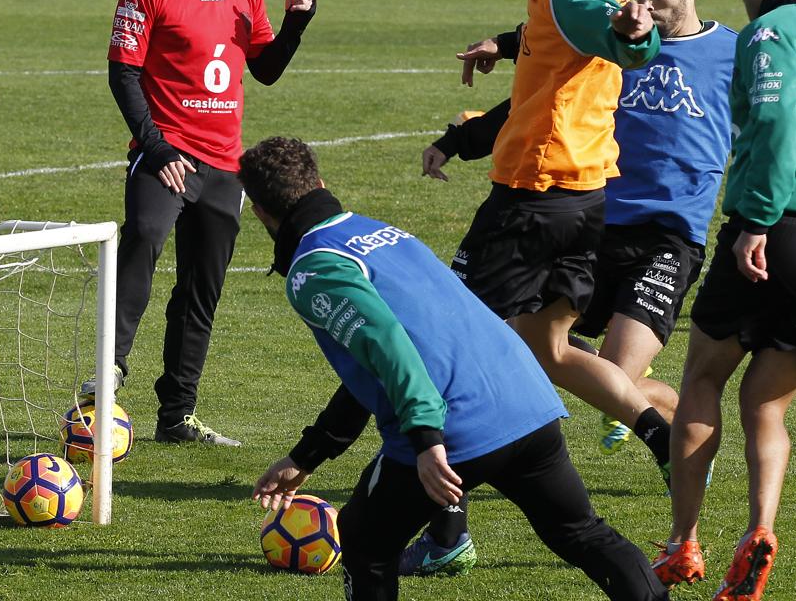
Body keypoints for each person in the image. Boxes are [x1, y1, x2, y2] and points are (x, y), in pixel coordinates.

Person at [239, 136, 669, 601]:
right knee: (580, 532)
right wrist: (307, 456)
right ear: (319, 182)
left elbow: (389, 350)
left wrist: (426, 441)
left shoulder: (313, 269)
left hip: (455, 426)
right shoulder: (382, 231)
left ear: (260, 212)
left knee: (364, 542)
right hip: (526, 399)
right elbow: (375, 368)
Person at [413, 0, 669, 572]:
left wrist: (633, 38)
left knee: (443, 348)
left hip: (529, 203)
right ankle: (661, 436)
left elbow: (615, 38)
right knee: (548, 348)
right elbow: (586, 35)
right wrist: (506, 42)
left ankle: (446, 529)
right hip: (586, 200)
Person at [429, 0, 736, 457]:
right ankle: (675, 424)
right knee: (548, 353)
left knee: (611, 377)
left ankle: (680, 430)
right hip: (596, 220)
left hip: (669, 237)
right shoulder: (618, 42)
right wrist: (462, 137)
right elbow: (542, 92)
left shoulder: (733, 53)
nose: (644, 6)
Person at [92, 0, 316, 446]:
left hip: (224, 164)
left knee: (201, 289)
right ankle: (109, 373)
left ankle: (178, 415)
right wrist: (156, 146)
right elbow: (123, 74)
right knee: (142, 238)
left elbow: (263, 69)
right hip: (166, 154)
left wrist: (296, 21)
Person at [651, 0, 796, 601]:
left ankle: (684, 542)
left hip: (774, 232)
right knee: (767, 403)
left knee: (703, 377)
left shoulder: (771, 33)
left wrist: (756, 224)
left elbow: (772, 126)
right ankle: (761, 529)